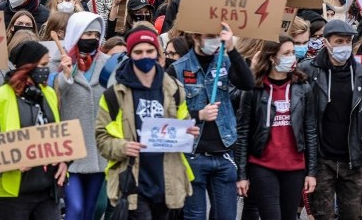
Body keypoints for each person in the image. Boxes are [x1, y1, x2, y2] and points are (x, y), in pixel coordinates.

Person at [95, 29, 199, 218]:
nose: (145, 56)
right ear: (130, 55)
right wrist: (123, 146)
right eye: (138, 52)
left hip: (167, 178)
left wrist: (187, 132)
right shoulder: (113, 95)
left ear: (158, 54)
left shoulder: (174, 89)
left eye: (149, 51)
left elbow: (182, 123)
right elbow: (101, 139)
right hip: (133, 179)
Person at [167, 25, 255, 220]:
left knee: (226, 215)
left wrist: (232, 49)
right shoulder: (177, 69)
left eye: (218, 36)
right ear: (196, 36)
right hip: (193, 154)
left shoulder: (224, 62)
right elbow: (168, 114)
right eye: (210, 36)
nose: (215, 41)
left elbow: (248, 83)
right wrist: (199, 114)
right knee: (195, 215)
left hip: (224, 153)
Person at [0, 40, 68, 220]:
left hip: (47, 189)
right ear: (28, 66)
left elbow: (58, 134)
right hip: (14, 192)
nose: (47, 68)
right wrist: (11, 160)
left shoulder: (48, 93)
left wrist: (65, 161)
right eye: (43, 64)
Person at [235, 34, 317, 220]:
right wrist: (242, 174)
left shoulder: (303, 88)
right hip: (263, 166)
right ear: (272, 57)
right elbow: (244, 133)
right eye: (286, 53)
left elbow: (310, 131)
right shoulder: (254, 89)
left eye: (293, 53)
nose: (292, 58)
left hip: (295, 166)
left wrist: (311, 172)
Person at [299, 20, 362, 220]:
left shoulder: (359, 73)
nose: (344, 46)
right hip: (322, 159)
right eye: (339, 41)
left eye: (347, 42)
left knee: (353, 215)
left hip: (353, 160)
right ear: (326, 42)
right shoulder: (309, 71)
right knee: (322, 216)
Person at [56, 12, 108, 220]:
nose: (92, 38)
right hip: (70, 150)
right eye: (87, 33)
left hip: (98, 151)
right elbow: (50, 98)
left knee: (91, 211)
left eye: (96, 34)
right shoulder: (59, 61)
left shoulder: (109, 63)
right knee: (75, 209)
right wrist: (64, 75)